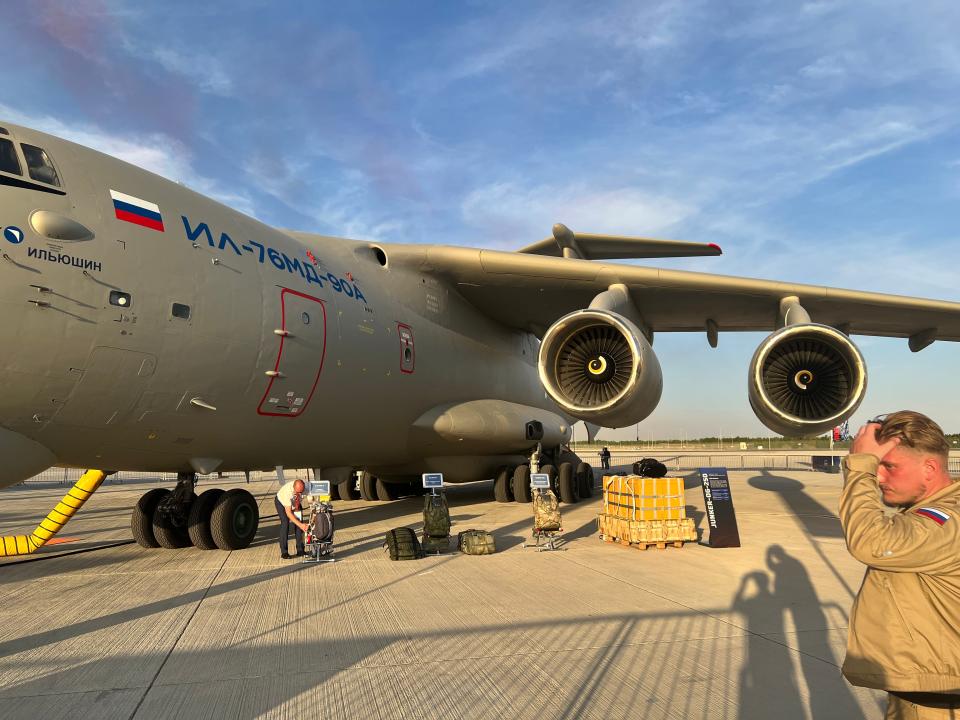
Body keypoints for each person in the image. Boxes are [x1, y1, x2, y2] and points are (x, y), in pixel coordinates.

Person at [840, 411, 960, 718]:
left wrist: (861, 467)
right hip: (927, 690)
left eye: (888, 466)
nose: (879, 477)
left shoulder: (947, 521)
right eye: (877, 467)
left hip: (938, 702)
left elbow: (872, 542)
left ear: (930, 468)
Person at [275, 478, 308, 559]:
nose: (300, 493)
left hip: (296, 503)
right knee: (285, 522)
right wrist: (301, 525)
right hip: (282, 503)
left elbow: (314, 497)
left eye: (301, 492)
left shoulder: (306, 488)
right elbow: (289, 513)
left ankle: (300, 550)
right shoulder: (287, 493)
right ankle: (284, 552)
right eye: (297, 492)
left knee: (299, 522)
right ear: (293, 488)